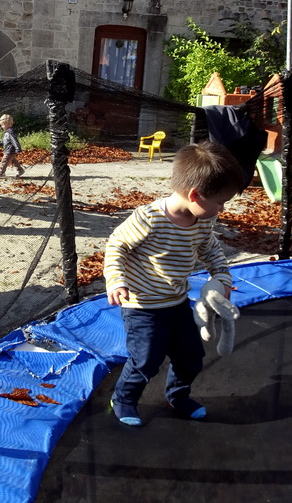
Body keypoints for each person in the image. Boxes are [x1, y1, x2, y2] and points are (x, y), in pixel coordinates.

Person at [104, 140, 244, 426]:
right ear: (195, 194)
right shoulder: (149, 218)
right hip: (142, 308)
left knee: (191, 357)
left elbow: (212, 251)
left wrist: (221, 277)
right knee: (145, 362)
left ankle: (177, 396)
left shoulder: (202, 221)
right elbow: (116, 246)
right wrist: (116, 280)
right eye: (220, 201)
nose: (222, 208)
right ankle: (124, 398)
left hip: (177, 304)